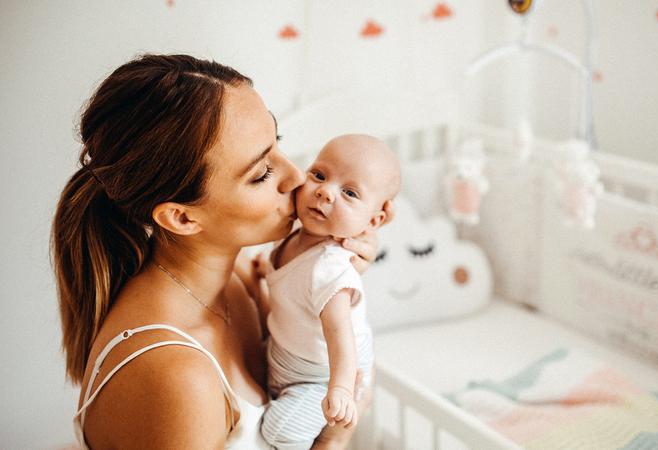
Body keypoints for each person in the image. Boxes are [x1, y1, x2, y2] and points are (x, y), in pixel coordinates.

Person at [52, 54, 390, 449]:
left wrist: (329, 268)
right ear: (181, 217)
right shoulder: (176, 377)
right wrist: (334, 440)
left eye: (276, 143)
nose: (296, 176)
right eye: (261, 173)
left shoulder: (244, 279)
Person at [258, 135, 400, 449]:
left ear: (373, 221)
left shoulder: (329, 267)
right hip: (290, 355)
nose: (324, 191)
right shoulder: (292, 232)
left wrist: (340, 389)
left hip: (324, 374)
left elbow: (340, 334)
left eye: (349, 192)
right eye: (319, 175)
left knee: (279, 432)